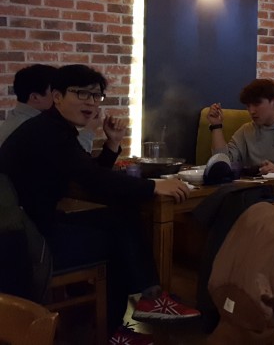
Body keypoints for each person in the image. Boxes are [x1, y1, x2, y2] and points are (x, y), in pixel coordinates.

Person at [0, 65, 197, 342]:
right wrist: (154, 186)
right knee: (115, 242)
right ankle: (121, 326)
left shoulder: (51, 128)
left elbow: (87, 175)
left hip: (30, 227)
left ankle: (147, 298)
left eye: (96, 96)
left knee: (120, 217)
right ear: (57, 97)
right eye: (81, 93)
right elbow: (94, 180)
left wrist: (112, 144)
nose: (91, 102)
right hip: (27, 242)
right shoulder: (50, 133)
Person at [208, 79, 274, 183]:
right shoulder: (246, 130)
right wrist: (216, 126)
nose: (251, 111)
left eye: (257, 104)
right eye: (248, 106)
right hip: (256, 189)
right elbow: (222, 164)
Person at [0, 64, 95, 152]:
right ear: (35, 97)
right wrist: (89, 129)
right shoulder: (31, 129)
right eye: (55, 92)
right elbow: (70, 160)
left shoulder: (18, 117)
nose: (60, 97)